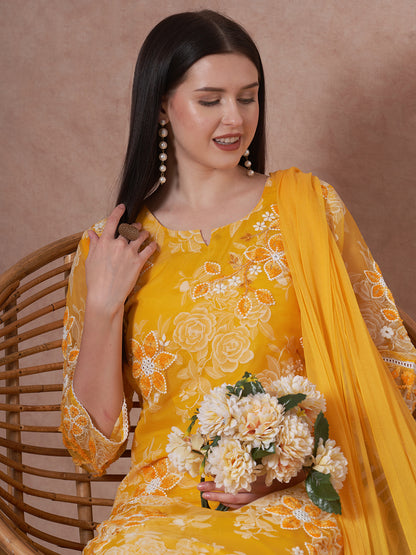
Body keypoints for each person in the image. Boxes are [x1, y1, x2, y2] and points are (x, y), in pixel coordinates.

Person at [60, 10, 416, 555]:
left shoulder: (306, 209)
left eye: (248, 98)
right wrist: (105, 306)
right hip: (157, 509)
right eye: (210, 100)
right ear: (162, 105)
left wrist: (283, 467)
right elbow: (91, 447)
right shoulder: (111, 248)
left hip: (290, 498)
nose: (235, 118)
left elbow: (390, 378)